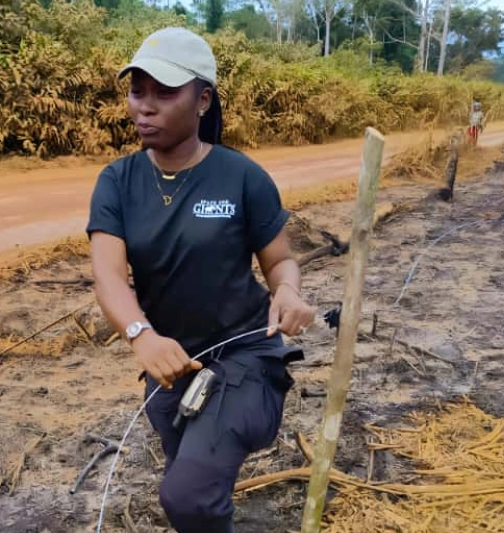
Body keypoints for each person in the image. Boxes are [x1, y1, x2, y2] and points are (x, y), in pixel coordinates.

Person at [86, 26, 316, 533]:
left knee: (186, 495)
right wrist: (141, 336)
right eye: (137, 91)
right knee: (195, 489)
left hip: (246, 359)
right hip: (170, 365)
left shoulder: (242, 177)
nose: (145, 107)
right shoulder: (117, 182)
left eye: (165, 93)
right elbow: (108, 276)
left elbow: (280, 261)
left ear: (203, 99)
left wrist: (288, 292)